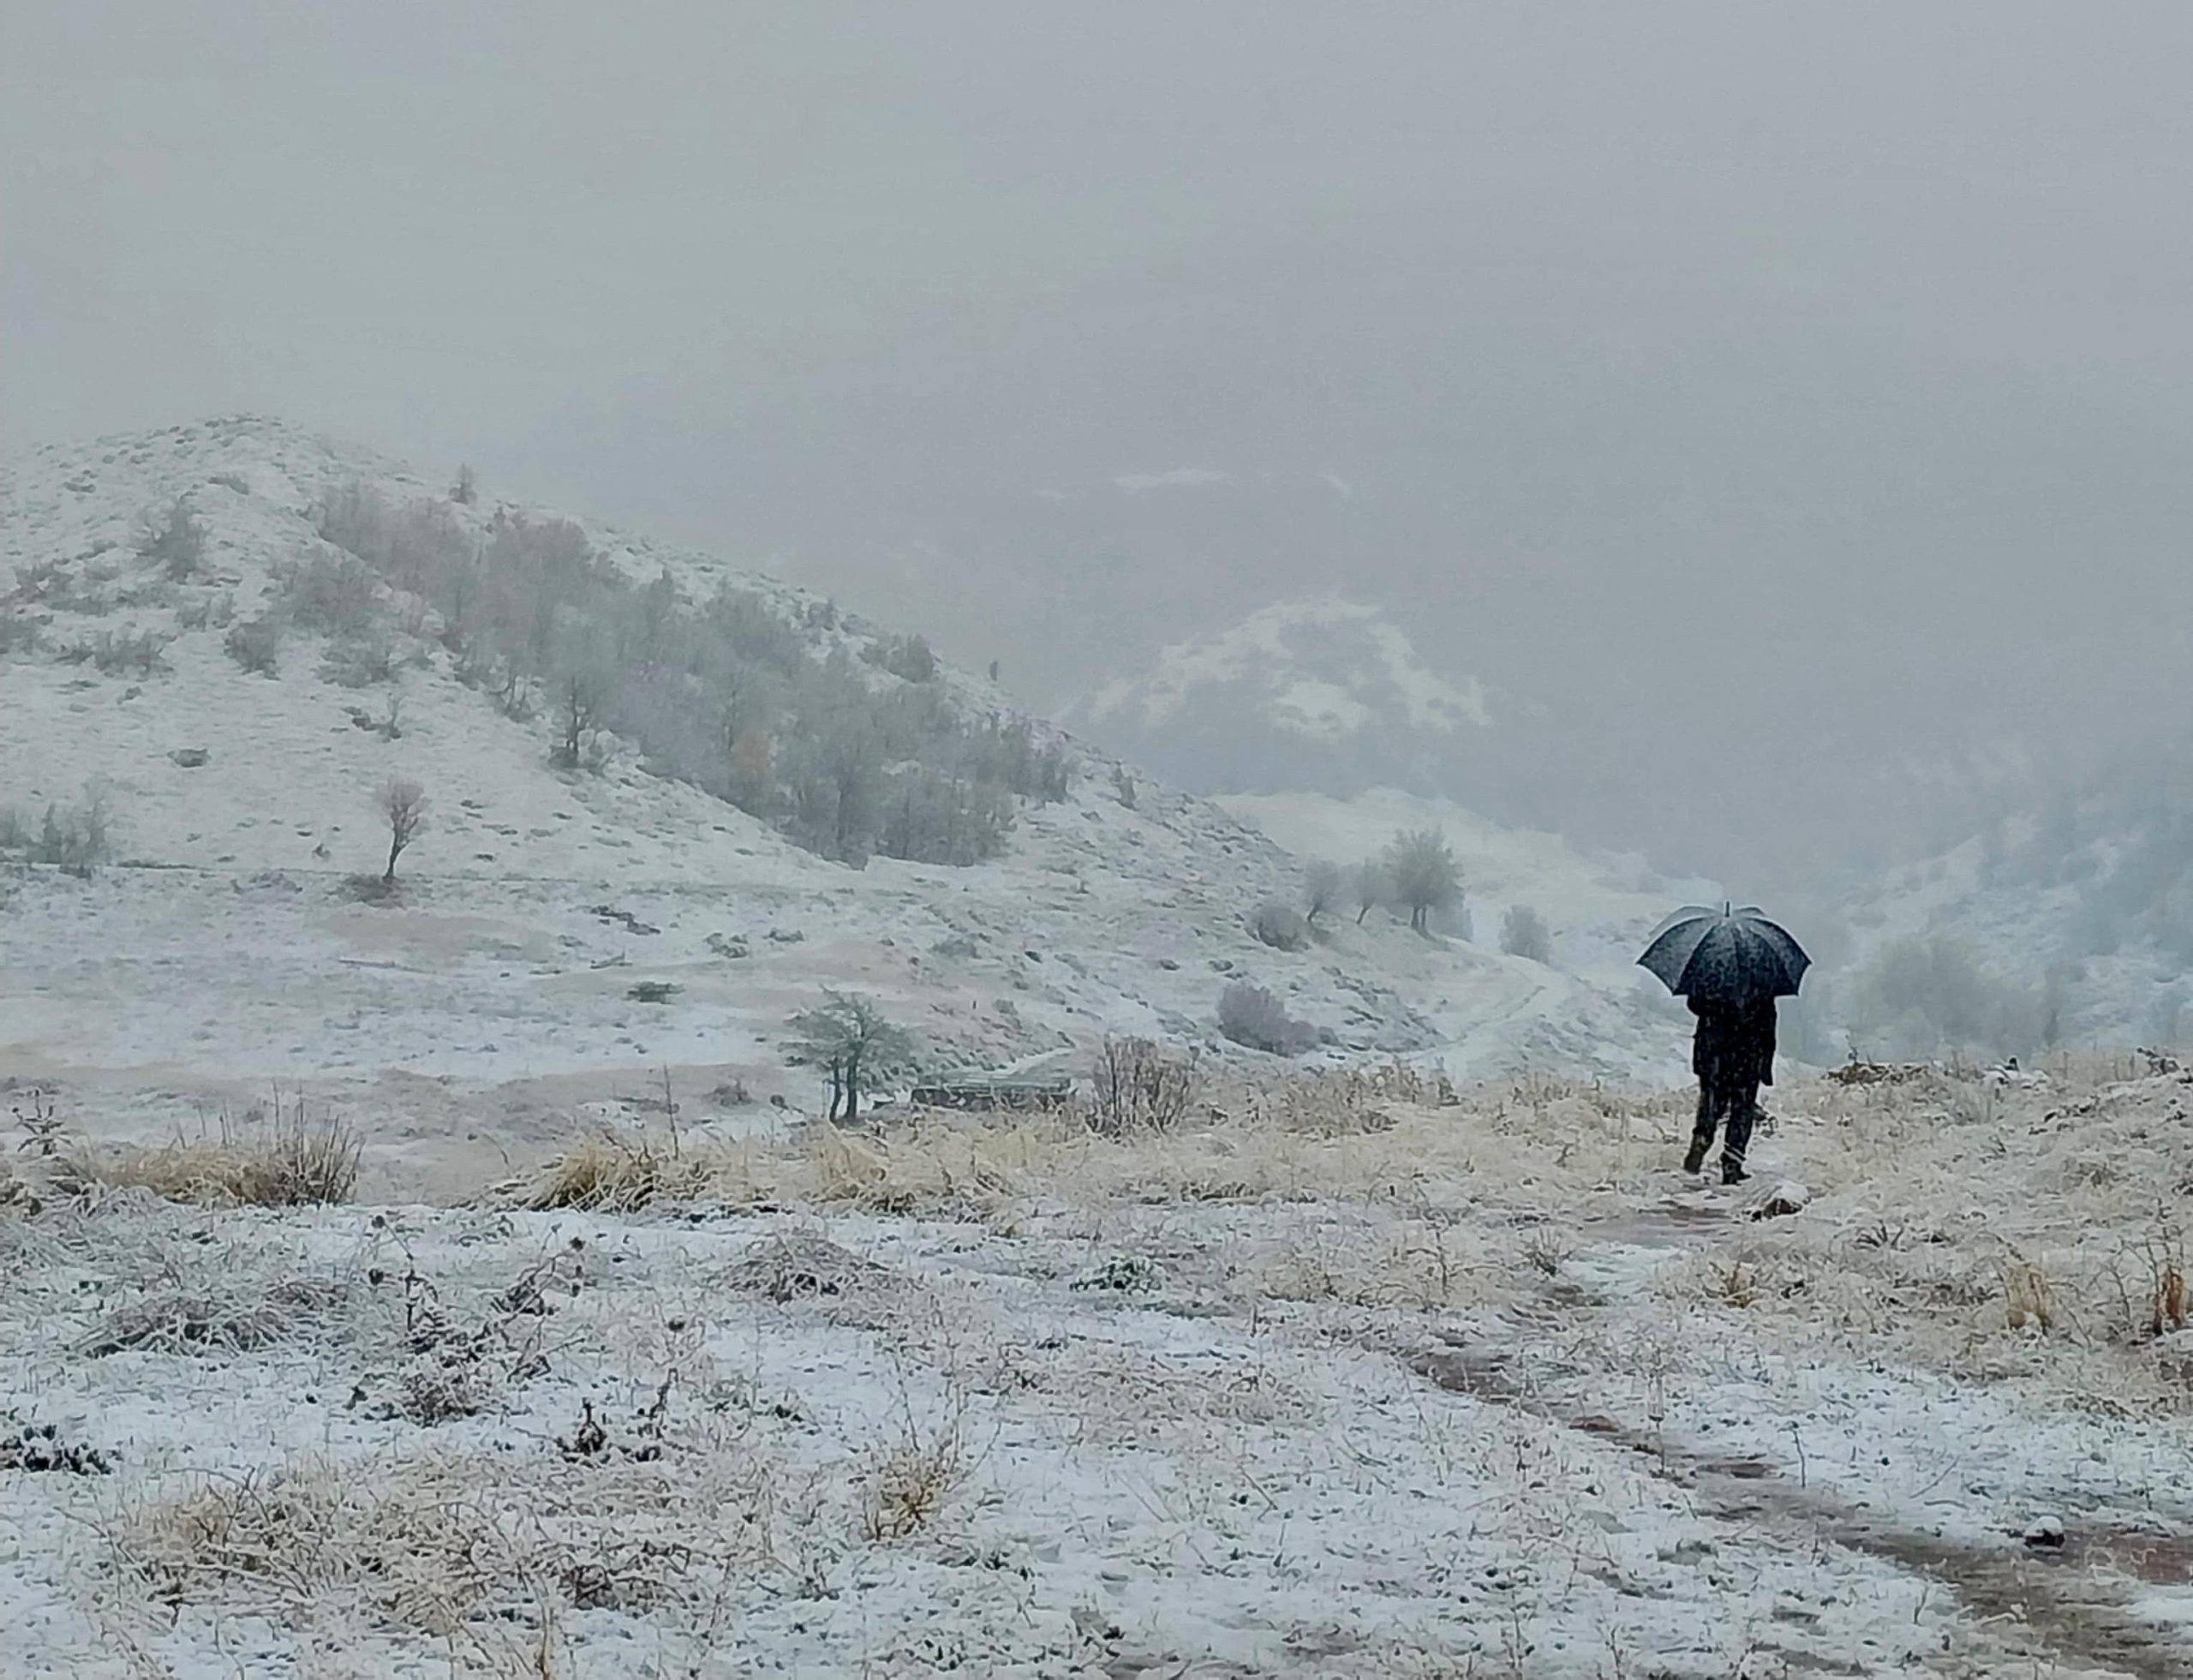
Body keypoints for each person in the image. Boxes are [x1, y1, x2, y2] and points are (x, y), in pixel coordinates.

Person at [1683, 994, 1776, 1183]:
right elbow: (1768, 1024)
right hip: (1748, 1052)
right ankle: (1732, 1164)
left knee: (1711, 1101)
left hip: (1713, 1050)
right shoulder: (1762, 978)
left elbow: (1694, 1003)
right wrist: (1765, 1066)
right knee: (1743, 1108)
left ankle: (1702, 1137)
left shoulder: (1713, 973)